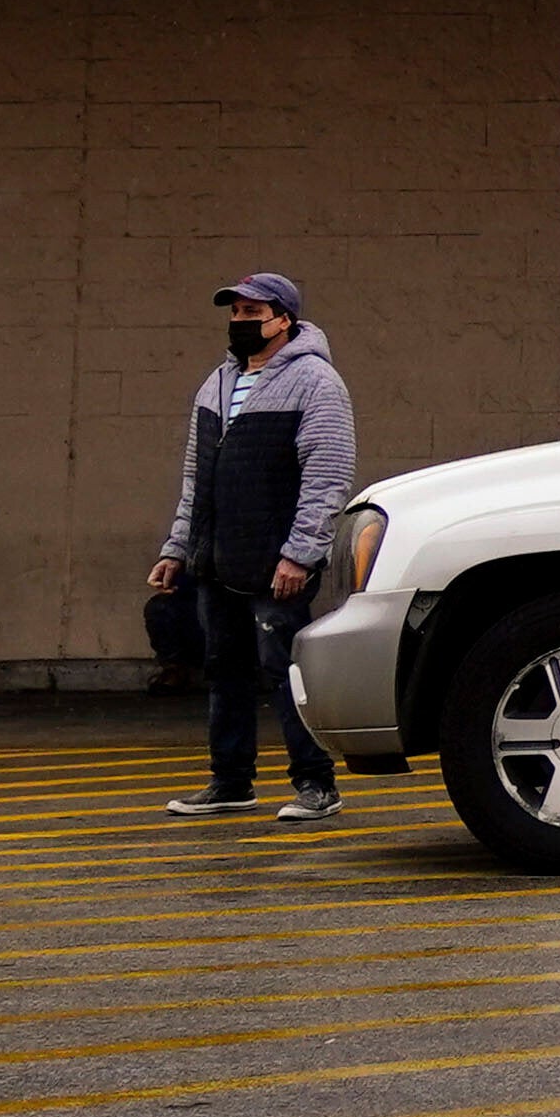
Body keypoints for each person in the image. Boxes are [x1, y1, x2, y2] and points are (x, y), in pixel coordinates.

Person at [149, 270, 356, 820]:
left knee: (284, 669)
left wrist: (300, 553)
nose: (240, 323)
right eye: (235, 313)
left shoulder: (316, 382)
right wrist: (177, 549)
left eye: (252, 313)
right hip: (217, 558)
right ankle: (231, 782)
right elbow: (198, 477)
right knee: (224, 668)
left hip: (276, 561)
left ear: (283, 320)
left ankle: (317, 784)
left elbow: (328, 474)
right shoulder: (216, 383)